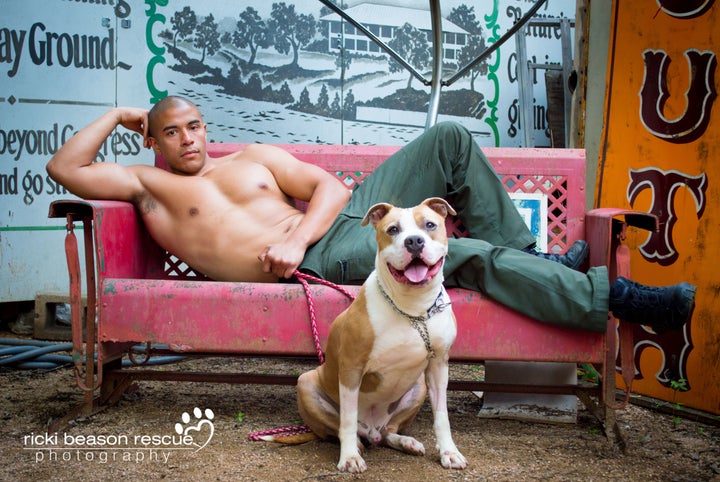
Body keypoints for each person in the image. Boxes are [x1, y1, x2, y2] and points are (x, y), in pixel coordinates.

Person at [46, 96, 696, 334]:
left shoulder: (251, 157)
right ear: (153, 141)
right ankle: (617, 298)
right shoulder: (143, 185)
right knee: (457, 257)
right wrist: (117, 114)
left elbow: (327, 189)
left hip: (329, 233)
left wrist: (299, 235)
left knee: (447, 139)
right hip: (321, 268)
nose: (190, 138)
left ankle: (535, 261)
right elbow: (65, 168)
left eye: (195, 125)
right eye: (172, 131)